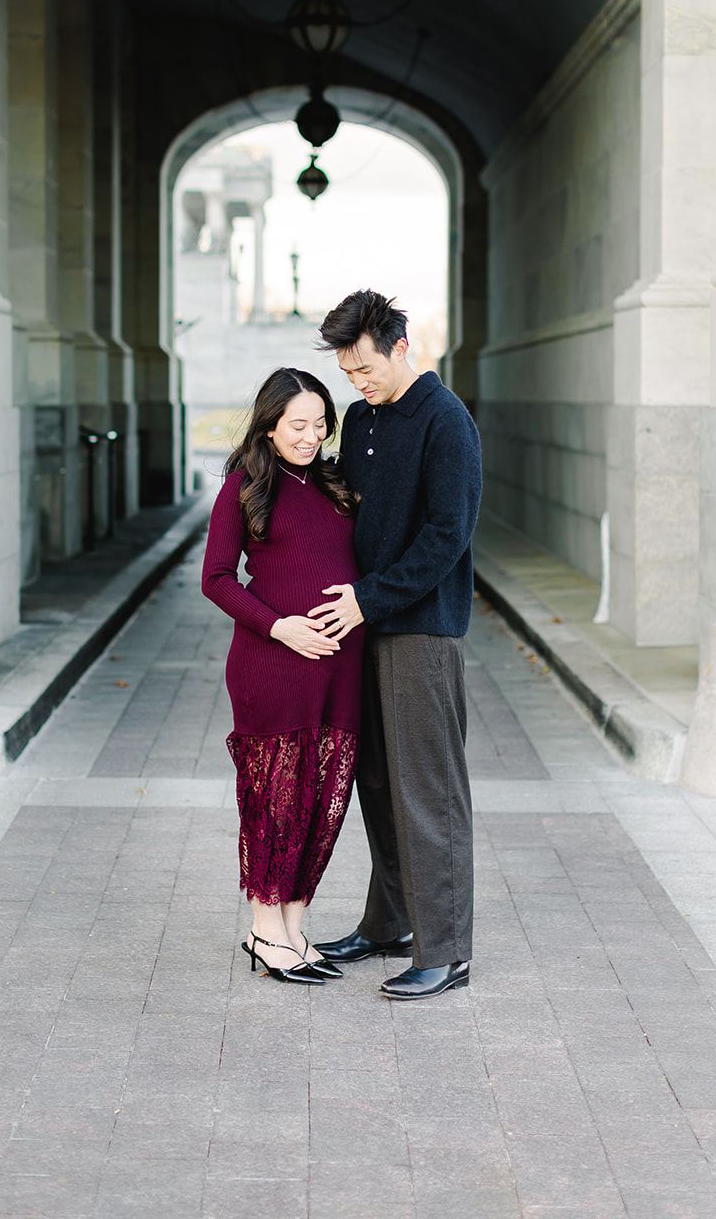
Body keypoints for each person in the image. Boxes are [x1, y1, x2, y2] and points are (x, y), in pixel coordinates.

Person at [310, 290, 482, 1000]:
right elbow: (350, 504)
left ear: (400, 346)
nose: (358, 382)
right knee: (376, 785)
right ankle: (390, 925)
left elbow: (447, 536)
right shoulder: (360, 418)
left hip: (419, 630)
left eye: (365, 368)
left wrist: (368, 597)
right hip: (363, 628)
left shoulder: (446, 421)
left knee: (428, 792)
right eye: (348, 374)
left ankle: (446, 950)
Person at [201, 368, 363, 985]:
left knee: (325, 798)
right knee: (277, 797)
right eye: (298, 424)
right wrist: (280, 627)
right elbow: (215, 579)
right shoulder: (244, 488)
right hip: (273, 664)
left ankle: (293, 923)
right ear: (269, 425)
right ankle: (264, 927)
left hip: (341, 668)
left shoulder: (335, 484)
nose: (311, 436)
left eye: (321, 424)